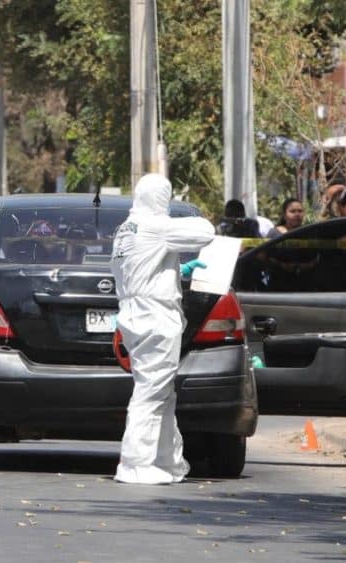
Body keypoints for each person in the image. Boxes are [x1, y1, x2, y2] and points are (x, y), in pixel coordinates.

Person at [110, 173, 215, 485]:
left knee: (162, 392)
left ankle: (168, 462)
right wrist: (175, 217)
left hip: (134, 312)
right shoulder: (156, 225)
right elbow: (205, 233)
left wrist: (174, 268)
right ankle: (135, 464)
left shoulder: (125, 229)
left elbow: (135, 267)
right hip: (154, 316)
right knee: (151, 391)